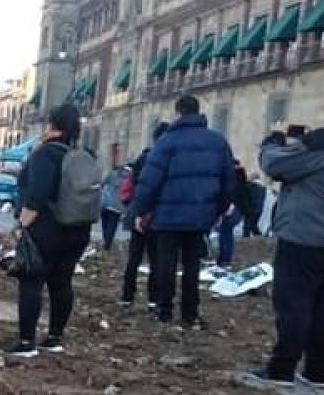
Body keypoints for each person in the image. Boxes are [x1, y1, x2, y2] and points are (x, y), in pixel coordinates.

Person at [130, 95, 235, 328]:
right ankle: (190, 313)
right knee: (192, 265)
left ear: (178, 113)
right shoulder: (217, 142)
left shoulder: (167, 142)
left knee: (166, 263)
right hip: (200, 215)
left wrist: (140, 210)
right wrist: (220, 208)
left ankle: (164, 309)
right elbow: (229, 179)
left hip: (167, 215)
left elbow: (150, 180)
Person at [251, 125, 324, 387]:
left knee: (294, 304)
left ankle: (282, 369)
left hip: (305, 235)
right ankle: (318, 372)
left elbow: (275, 164)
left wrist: (273, 140)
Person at [6, 104, 93, 358]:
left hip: (47, 229)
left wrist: (22, 224)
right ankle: (54, 337)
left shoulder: (45, 153)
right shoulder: (80, 154)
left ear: (52, 125)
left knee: (31, 281)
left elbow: (37, 195)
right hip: (77, 229)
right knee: (61, 282)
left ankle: (26, 342)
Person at [120, 123, 168, 309]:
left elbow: (137, 188)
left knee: (135, 258)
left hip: (140, 214)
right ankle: (153, 299)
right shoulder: (166, 160)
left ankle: (127, 296)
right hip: (156, 216)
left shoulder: (143, 157)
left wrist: (137, 213)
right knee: (156, 260)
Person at [100, 165, 128, 253]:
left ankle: (105, 242)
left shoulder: (113, 174)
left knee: (105, 224)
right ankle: (107, 245)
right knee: (112, 226)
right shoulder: (129, 178)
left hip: (106, 203)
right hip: (118, 206)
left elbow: (103, 183)